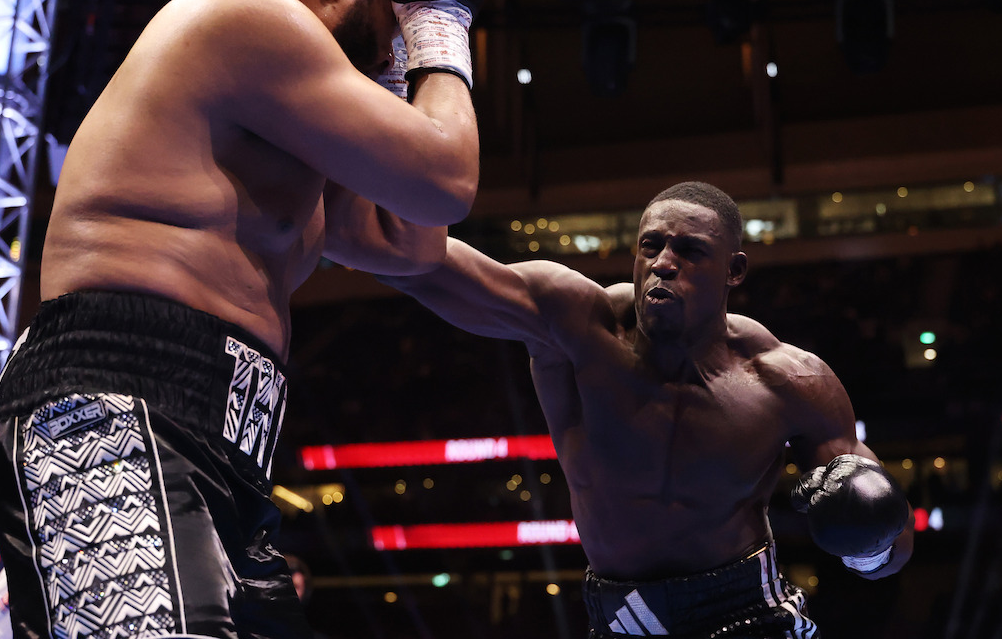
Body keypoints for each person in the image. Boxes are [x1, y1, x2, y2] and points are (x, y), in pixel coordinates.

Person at [0, 0, 491, 639]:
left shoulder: (295, 140)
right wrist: (441, 22)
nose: (398, 46)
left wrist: (400, 71)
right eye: (394, 16)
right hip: (116, 397)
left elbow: (413, 241)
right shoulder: (252, 18)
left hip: (225, 440)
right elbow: (445, 179)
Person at [380, 181, 913, 638]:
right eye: (650, 246)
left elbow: (893, 545)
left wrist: (867, 541)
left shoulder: (788, 380)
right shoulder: (574, 325)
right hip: (623, 617)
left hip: (749, 611)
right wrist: (362, 155)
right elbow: (415, 263)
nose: (662, 264)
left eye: (690, 251)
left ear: (734, 270)